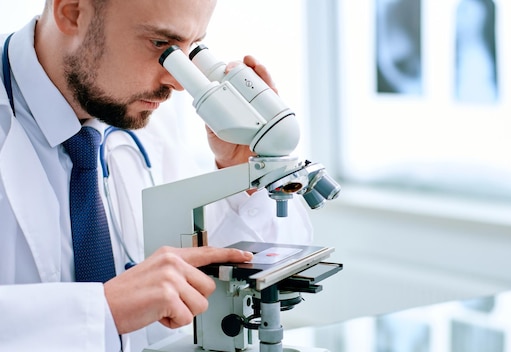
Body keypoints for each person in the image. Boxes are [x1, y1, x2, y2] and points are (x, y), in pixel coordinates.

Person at [0, 0, 313, 351]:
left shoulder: (146, 113)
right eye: (161, 45)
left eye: (190, 49)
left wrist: (242, 173)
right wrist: (102, 310)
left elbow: (209, 270)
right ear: (72, 11)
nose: (177, 83)